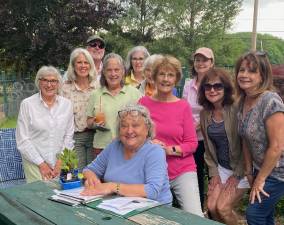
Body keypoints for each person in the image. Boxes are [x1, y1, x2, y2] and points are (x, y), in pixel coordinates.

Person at [139, 55, 203, 216]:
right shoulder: (143, 104)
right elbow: (136, 137)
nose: (166, 79)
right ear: (153, 77)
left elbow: (192, 143)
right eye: (161, 74)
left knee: (195, 216)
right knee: (151, 217)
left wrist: (168, 150)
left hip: (182, 169)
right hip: (152, 170)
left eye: (170, 75)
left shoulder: (183, 106)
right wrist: (148, 143)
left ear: (176, 79)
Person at [82, 104, 172, 204]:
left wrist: (112, 187)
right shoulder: (114, 146)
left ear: (147, 129)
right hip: (116, 206)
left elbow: (152, 190)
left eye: (135, 125)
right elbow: (89, 169)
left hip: (154, 211)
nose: (129, 131)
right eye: (124, 126)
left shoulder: (155, 151)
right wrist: (92, 180)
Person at [235, 51, 284, 225]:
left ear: (262, 75)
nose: (244, 75)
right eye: (242, 70)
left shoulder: (270, 101)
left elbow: (277, 146)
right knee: (266, 215)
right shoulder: (243, 101)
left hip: (278, 172)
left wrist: (260, 179)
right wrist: (249, 172)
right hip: (259, 169)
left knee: (254, 214)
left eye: (252, 71)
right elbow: (245, 139)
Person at [198, 68, 249, 225]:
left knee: (223, 209)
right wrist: (214, 173)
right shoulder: (205, 114)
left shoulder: (237, 108)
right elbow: (207, 147)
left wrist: (238, 173)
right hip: (221, 167)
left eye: (218, 86)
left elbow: (247, 144)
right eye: (208, 86)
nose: (212, 90)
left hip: (243, 168)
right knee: (212, 207)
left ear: (226, 88)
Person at [16, 66, 74, 183]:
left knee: (60, 197)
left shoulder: (67, 105)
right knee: (38, 197)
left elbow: (69, 136)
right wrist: (41, 164)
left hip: (60, 163)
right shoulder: (27, 104)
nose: (49, 85)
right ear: (39, 82)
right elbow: (22, 140)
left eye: (53, 81)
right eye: (45, 80)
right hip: (35, 163)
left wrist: (60, 162)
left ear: (58, 84)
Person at [86, 53, 142, 157]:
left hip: (128, 147)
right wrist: (94, 122)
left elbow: (144, 122)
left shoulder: (135, 93)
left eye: (117, 70)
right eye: (109, 70)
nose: (113, 74)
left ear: (123, 71)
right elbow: (88, 122)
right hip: (102, 148)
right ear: (103, 72)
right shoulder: (95, 94)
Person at [182, 47, 214, 209]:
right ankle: (195, 207)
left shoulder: (214, 84)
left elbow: (212, 111)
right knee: (193, 173)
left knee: (210, 175)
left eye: (204, 60)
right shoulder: (189, 84)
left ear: (211, 63)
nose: (200, 63)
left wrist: (194, 127)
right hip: (191, 137)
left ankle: (210, 208)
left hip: (207, 137)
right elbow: (183, 108)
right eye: (197, 60)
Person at [62, 48, 99, 170]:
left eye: (86, 62)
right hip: (75, 138)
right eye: (79, 62)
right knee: (78, 174)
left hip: (96, 136)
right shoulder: (65, 88)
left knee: (95, 174)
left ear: (90, 65)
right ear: (73, 65)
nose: (83, 66)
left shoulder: (98, 86)